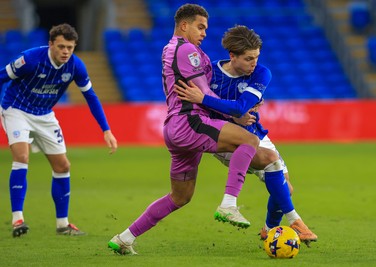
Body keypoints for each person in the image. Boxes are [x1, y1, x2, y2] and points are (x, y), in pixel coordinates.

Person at [107, 4, 259, 255]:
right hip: (191, 122)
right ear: (184, 25)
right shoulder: (186, 49)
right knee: (250, 141)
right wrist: (235, 112)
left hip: (175, 128)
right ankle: (229, 203)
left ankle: (124, 238)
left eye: (206, 28)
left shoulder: (175, 49)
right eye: (200, 27)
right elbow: (204, 94)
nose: (204, 33)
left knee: (180, 197)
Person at [174, 25, 318, 245]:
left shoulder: (261, 73)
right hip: (227, 139)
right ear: (232, 56)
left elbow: (241, 107)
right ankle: (294, 221)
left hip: (255, 133)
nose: (254, 63)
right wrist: (229, 115)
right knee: (272, 166)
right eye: (249, 58)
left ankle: (269, 229)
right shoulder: (210, 73)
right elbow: (205, 113)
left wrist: (204, 99)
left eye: (257, 57)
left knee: (286, 189)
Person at [0, 23, 118, 237]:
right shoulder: (30, 59)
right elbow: (2, 77)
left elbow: (91, 97)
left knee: (63, 165)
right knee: (21, 156)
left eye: (70, 48)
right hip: (16, 109)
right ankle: (18, 219)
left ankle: (62, 224)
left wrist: (106, 130)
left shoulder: (75, 66)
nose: (65, 52)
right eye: (61, 46)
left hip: (44, 114)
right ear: (51, 44)